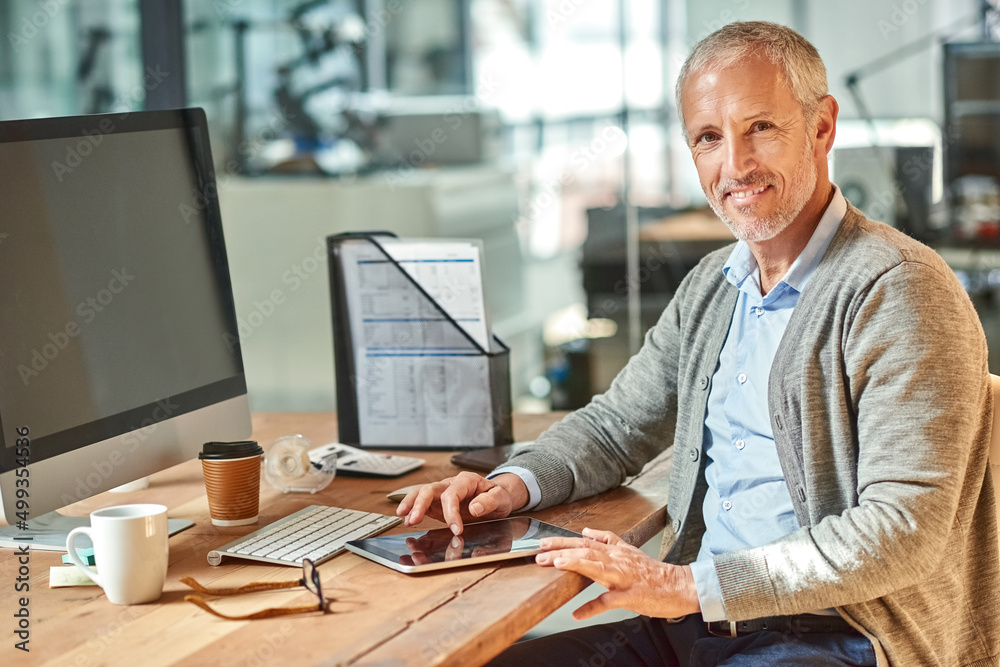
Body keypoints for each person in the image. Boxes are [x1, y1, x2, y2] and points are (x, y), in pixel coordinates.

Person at [397, 21, 1000, 666]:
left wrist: (683, 585)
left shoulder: (901, 290)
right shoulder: (712, 286)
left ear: (821, 127)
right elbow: (616, 426)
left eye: (760, 128)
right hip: (699, 624)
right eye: (709, 138)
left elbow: (902, 531)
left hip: (837, 636)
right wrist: (510, 484)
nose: (734, 165)